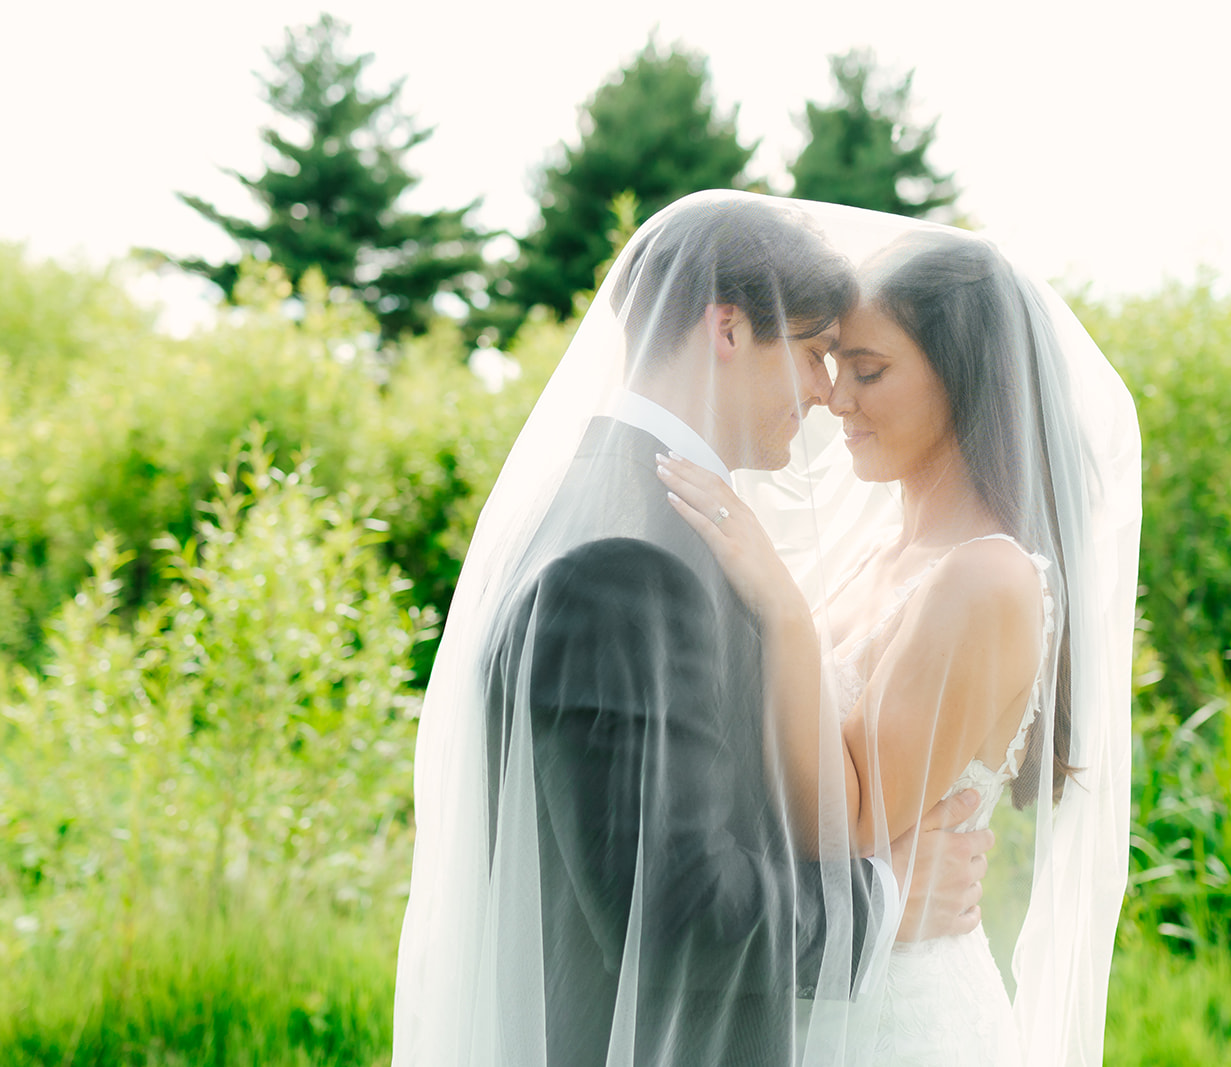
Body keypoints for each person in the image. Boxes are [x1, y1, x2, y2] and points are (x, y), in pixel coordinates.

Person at [391, 196, 998, 1067]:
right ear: (728, 329)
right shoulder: (627, 563)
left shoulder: (622, 506)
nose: (828, 393)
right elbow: (668, 907)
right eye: (817, 351)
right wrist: (890, 901)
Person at [659, 225, 1141, 1065]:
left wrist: (778, 604)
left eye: (869, 370)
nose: (835, 399)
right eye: (836, 364)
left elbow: (846, 824)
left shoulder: (986, 581)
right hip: (818, 985)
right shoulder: (876, 555)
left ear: (963, 377)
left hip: (895, 1022)